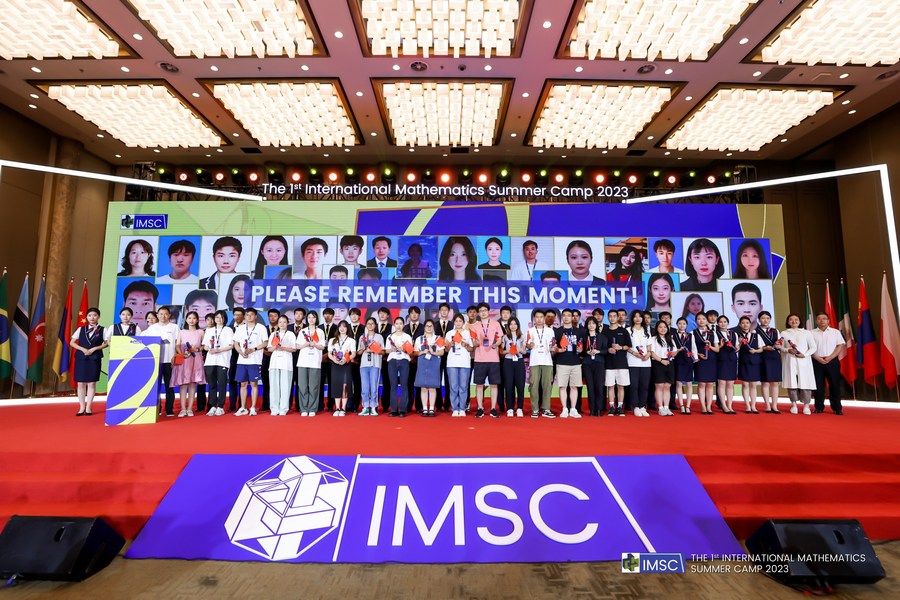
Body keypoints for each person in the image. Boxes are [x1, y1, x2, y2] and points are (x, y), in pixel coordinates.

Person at [70, 308, 110, 416]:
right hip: (81, 358)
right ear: (86, 317)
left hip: (94, 358)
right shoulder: (81, 329)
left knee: (92, 383)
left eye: (95, 315)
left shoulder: (103, 329)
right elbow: (72, 342)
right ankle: (81, 407)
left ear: (98, 317)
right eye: (90, 315)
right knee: (81, 383)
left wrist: (95, 348)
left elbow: (106, 343)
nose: (92, 318)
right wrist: (82, 349)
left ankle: (88, 407)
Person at [142, 306, 179, 416]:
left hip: (169, 360)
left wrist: (176, 355)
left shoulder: (174, 327)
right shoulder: (152, 328)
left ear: (169, 315)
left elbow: (177, 343)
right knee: (155, 386)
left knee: (169, 386)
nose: (163, 316)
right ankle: (156, 409)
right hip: (155, 360)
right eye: (161, 314)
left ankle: (169, 410)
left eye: (166, 314)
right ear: (157, 315)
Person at [231, 307, 268, 416]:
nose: (249, 317)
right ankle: (243, 407)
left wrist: (254, 349)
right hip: (242, 360)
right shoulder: (240, 328)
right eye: (247, 315)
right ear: (245, 317)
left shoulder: (261, 328)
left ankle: (252, 407)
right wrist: (240, 352)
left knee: (254, 384)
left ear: (255, 316)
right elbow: (236, 343)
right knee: (242, 384)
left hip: (255, 360)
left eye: (251, 315)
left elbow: (265, 342)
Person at [781, 313, 817, 415]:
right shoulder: (784, 333)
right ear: (788, 322)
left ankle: (806, 406)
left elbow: (813, 347)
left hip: (804, 362)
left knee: (805, 383)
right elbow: (780, 347)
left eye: (796, 319)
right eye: (791, 320)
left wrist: (805, 355)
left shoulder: (806, 333)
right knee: (791, 383)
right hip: (790, 361)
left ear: (799, 321)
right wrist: (788, 350)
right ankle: (794, 405)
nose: (794, 321)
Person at [471, 303, 502, 418]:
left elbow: (499, 339)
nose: (483, 312)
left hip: (494, 359)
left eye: (485, 310)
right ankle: (480, 408)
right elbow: (473, 342)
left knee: (494, 385)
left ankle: (493, 408)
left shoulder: (496, 324)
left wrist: (495, 344)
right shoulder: (475, 326)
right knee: (479, 385)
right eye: (481, 310)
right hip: (479, 359)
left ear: (488, 312)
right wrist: (476, 343)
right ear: (478, 313)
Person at [171, 311, 205, 417]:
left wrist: (198, 348)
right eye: (189, 318)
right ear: (186, 320)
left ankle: (190, 409)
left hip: (196, 359)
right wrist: (182, 354)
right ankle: (183, 409)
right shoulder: (181, 332)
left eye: (194, 318)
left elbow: (204, 345)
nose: (191, 320)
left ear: (197, 320)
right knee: (183, 384)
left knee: (192, 384)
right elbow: (177, 345)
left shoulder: (201, 332)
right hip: (184, 359)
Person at [811, 312, 845, 415]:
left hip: (832, 361)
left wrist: (830, 357)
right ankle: (819, 407)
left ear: (828, 320)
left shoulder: (835, 332)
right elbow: (809, 348)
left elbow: (839, 346)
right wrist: (817, 357)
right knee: (818, 386)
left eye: (824, 319)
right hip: (816, 361)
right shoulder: (811, 333)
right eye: (819, 319)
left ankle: (837, 408)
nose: (822, 321)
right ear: (816, 321)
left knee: (834, 385)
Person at [554, 308, 586, 418]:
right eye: (564, 315)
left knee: (574, 387)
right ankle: (564, 409)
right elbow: (553, 348)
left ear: (573, 317)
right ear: (562, 317)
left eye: (569, 315)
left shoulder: (580, 331)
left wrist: (581, 350)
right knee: (562, 387)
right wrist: (558, 350)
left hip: (576, 363)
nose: (566, 317)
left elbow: (583, 346)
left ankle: (573, 409)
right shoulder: (557, 331)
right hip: (562, 363)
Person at [202, 310, 233, 416]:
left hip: (222, 360)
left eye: (221, 317)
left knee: (222, 384)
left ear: (224, 319)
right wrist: (209, 349)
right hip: (210, 361)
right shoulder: (209, 330)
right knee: (211, 384)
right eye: (217, 317)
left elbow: (231, 345)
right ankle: (212, 406)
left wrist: (218, 350)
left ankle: (220, 406)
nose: (219, 319)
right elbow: (205, 345)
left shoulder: (228, 330)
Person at [526, 309, 555, 418]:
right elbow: (527, 345)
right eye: (537, 317)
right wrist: (530, 345)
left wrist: (553, 348)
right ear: (534, 319)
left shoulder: (550, 331)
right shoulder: (530, 331)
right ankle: (535, 409)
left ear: (544, 318)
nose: (539, 319)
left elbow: (552, 344)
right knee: (533, 385)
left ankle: (546, 409)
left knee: (547, 385)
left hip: (547, 361)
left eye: (541, 317)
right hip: (534, 361)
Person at [296, 311, 326, 416]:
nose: (311, 319)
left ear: (316, 319)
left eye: (313, 317)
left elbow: (322, 346)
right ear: (307, 319)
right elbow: (297, 346)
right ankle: (304, 408)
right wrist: (306, 344)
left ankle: (312, 408)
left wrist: (315, 344)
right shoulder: (303, 331)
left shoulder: (320, 332)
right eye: (309, 317)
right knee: (302, 386)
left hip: (315, 362)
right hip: (303, 362)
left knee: (313, 386)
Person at [266, 314, 296, 416]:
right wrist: (275, 346)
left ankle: (283, 408)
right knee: (274, 385)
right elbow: (269, 348)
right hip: (274, 362)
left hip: (286, 362)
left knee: (285, 385)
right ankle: (274, 408)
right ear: (277, 323)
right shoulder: (274, 334)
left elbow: (294, 348)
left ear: (287, 323)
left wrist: (283, 347)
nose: (282, 324)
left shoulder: (291, 334)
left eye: (284, 322)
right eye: (280, 322)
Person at [444, 314, 473, 417]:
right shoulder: (449, 333)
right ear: (454, 322)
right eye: (456, 321)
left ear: (463, 322)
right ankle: (455, 408)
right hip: (452, 362)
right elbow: (446, 349)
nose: (458, 323)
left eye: (460, 321)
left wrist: (466, 344)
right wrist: (450, 344)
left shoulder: (467, 333)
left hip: (464, 362)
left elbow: (471, 349)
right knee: (453, 386)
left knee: (463, 386)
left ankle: (462, 408)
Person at [413, 320, 444, 416]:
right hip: (422, 363)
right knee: (423, 387)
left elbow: (442, 352)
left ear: (433, 327)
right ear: (424, 327)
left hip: (434, 363)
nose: (429, 328)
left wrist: (433, 352)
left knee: (432, 387)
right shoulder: (419, 339)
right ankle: (425, 408)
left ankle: (431, 408)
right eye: (427, 326)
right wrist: (422, 352)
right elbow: (415, 352)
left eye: (431, 326)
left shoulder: (438, 338)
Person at [604, 309, 631, 416]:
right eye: (610, 316)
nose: (612, 318)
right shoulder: (604, 331)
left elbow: (628, 345)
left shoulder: (623, 331)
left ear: (617, 317)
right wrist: (608, 349)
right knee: (610, 386)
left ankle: (620, 407)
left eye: (614, 316)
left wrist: (620, 347)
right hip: (609, 363)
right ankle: (611, 407)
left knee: (621, 386)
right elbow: (601, 347)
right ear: (608, 317)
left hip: (621, 363)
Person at [625, 310, 651, 417]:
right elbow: (626, 347)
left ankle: (642, 406)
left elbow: (649, 348)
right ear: (632, 319)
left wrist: (648, 355)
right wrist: (634, 353)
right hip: (632, 362)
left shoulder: (646, 331)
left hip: (645, 362)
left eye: (639, 316)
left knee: (644, 385)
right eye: (635, 316)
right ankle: (635, 406)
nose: (637, 318)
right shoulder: (628, 330)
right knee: (634, 385)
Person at [385, 317, 413, 417]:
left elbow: (410, 351)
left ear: (403, 325)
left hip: (404, 360)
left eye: (401, 323)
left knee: (404, 385)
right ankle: (393, 409)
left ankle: (402, 409)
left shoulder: (407, 337)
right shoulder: (390, 337)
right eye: (397, 323)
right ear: (394, 325)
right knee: (393, 385)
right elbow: (386, 350)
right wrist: (392, 349)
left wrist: (404, 349)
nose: (399, 326)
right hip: (392, 361)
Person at [327, 320, 356, 416]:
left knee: (345, 386)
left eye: (344, 326)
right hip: (335, 365)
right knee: (336, 385)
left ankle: (343, 408)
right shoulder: (332, 340)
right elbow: (329, 354)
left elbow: (353, 353)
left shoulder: (351, 340)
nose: (342, 328)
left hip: (346, 364)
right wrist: (334, 360)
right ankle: (337, 408)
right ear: (338, 328)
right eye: (340, 326)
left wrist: (346, 359)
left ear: (347, 328)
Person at [691, 313, 718, 414]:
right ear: (696, 321)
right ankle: (702, 406)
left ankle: (709, 406)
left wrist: (710, 346)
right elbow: (691, 349)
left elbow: (717, 349)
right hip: (700, 361)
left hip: (711, 360)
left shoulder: (712, 333)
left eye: (703, 319)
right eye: (698, 319)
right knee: (701, 384)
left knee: (710, 384)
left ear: (707, 320)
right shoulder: (692, 333)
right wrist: (697, 354)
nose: (701, 320)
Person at [756, 310, 783, 413]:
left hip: (775, 357)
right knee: (765, 382)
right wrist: (764, 347)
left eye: (767, 318)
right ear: (759, 320)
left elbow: (780, 343)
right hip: (763, 357)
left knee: (775, 383)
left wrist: (778, 345)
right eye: (763, 318)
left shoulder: (775, 330)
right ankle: (767, 405)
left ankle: (775, 405)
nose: (765, 320)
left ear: (770, 319)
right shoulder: (755, 331)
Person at [736, 316, 764, 413]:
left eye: (747, 323)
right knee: (745, 384)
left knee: (753, 385)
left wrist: (755, 351)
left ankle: (753, 405)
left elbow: (761, 348)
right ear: (740, 324)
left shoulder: (756, 335)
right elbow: (736, 349)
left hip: (754, 362)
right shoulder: (737, 336)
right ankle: (747, 406)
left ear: (750, 324)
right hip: (743, 362)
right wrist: (739, 344)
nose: (745, 325)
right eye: (743, 323)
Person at [500, 316, 527, 417]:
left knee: (520, 386)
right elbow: (501, 351)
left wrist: (518, 349)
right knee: (509, 385)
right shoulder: (505, 336)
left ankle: (519, 408)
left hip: (519, 361)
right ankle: (510, 408)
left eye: (515, 324)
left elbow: (524, 351)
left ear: (518, 325)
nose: (513, 326)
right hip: (508, 362)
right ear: (508, 325)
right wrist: (509, 351)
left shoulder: (522, 336)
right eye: (511, 324)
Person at [711, 315, 738, 414]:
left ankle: (730, 405)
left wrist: (738, 347)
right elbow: (716, 347)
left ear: (728, 323)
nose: (723, 323)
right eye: (721, 322)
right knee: (722, 383)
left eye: (725, 321)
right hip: (721, 359)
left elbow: (736, 347)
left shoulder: (733, 333)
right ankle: (723, 405)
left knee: (730, 384)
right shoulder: (714, 334)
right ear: (717, 323)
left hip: (732, 360)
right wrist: (721, 345)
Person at [649, 320, 676, 416]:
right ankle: (660, 407)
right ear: (656, 328)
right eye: (660, 327)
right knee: (659, 386)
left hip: (669, 363)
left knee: (667, 386)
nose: (663, 329)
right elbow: (652, 353)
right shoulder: (653, 339)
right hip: (658, 363)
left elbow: (674, 351)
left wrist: (674, 353)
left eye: (665, 327)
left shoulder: (670, 339)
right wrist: (661, 360)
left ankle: (666, 407)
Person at [358, 317, 384, 416]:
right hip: (364, 365)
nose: (370, 325)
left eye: (372, 323)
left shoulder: (379, 337)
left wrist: (373, 350)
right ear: (366, 325)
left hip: (375, 364)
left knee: (374, 387)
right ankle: (365, 406)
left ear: (375, 325)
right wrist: (364, 348)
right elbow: (359, 352)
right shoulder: (362, 337)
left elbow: (382, 351)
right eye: (368, 323)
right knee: (364, 387)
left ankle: (373, 407)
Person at [583, 316, 608, 416]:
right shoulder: (584, 337)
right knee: (590, 387)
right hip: (587, 364)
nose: (591, 325)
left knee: (599, 387)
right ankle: (592, 409)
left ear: (596, 325)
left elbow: (606, 351)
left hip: (599, 364)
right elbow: (580, 351)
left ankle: (599, 409)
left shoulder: (602, 337)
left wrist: (598, 351)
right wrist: (586, 352)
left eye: (593, 323)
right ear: (587, 325)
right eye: (589, 323)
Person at [672, 317, 694, 414]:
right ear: (677, 324)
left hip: (688, 361)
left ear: (686, 325)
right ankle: (681, 405)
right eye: (680, 323)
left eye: (684, 324)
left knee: (689, 384)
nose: (682, 325)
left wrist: (695, 358)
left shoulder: (690, 335)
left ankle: (688, 405)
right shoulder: (673, 335)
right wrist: (677, 351)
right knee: (679, 383)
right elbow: (671, 348)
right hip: (678, 361)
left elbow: (694, 348)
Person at [434, 303, 453, 411]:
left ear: (449, 311)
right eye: (442, 310)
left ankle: (447, 404)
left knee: (448, 380)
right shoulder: (434, 325)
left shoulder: (453, 325)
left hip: (450, 356)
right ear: (439, 312)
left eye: (446, 310)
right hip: (437, 356)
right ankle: (438, 404)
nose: (444, 312)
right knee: (437, 379)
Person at [227, 307, 245, 412]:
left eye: (240, 315)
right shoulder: (229, 329)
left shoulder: (247, 328)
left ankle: (241, 405)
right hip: (232, 358)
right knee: (232, 382)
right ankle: (232, 405)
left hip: (244, 357)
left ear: (243, 316)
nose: (237, 317)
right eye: (235, 315)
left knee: (243, 382)